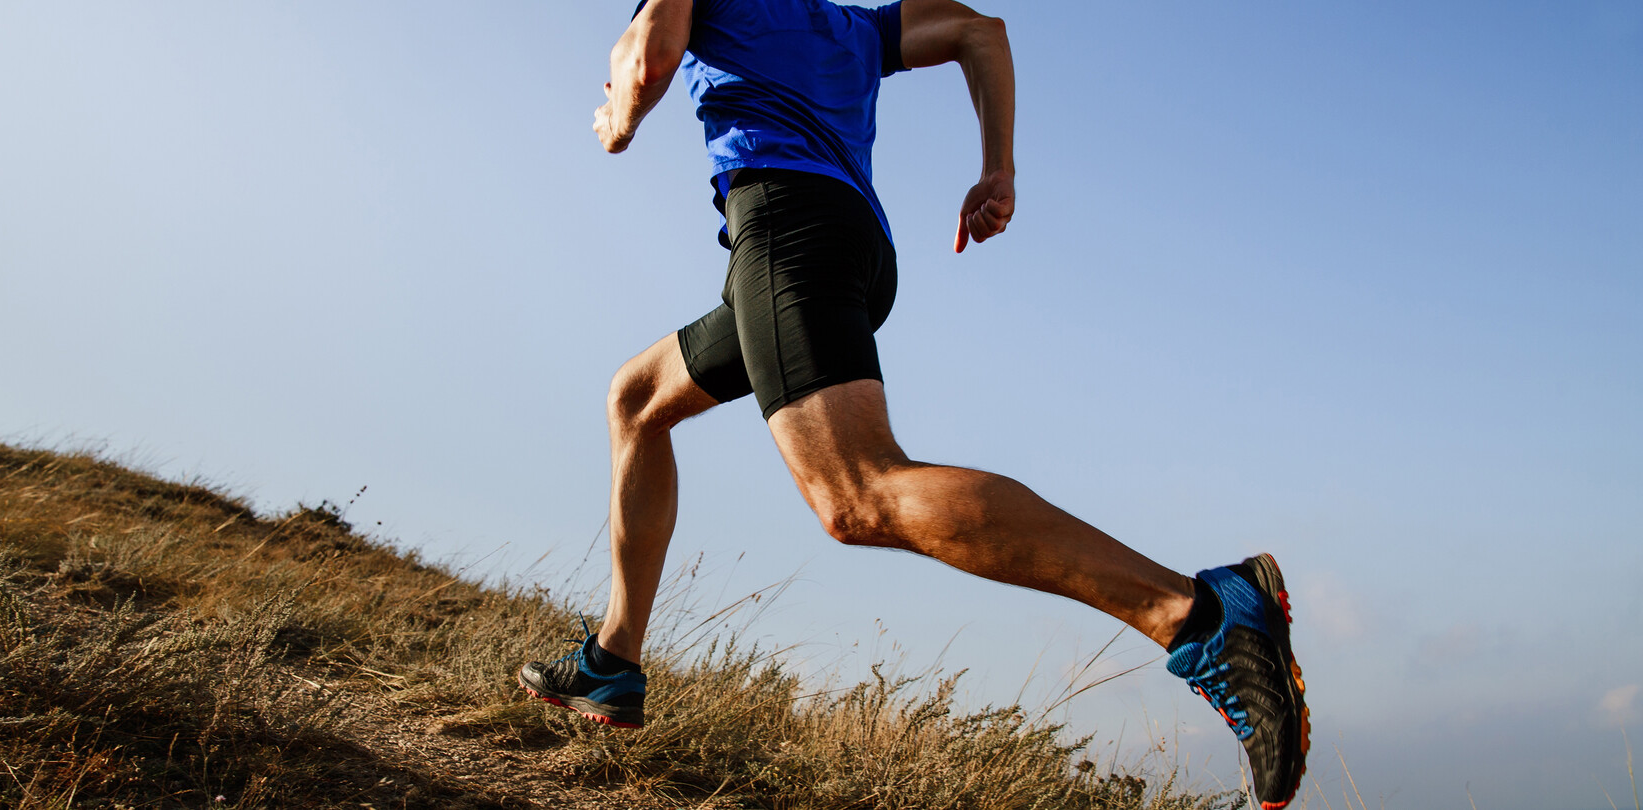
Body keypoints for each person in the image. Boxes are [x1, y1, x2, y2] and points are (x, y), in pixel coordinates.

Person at [518, 0, 1310, 806]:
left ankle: (1199, 613)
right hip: (852, 248)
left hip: (787, 232)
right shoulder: (852, 27)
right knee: (638, 397)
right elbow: (981, 33)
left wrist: (617, 116)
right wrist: (998, 168)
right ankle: (614, 661)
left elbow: (650, 60)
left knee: (855, 494)